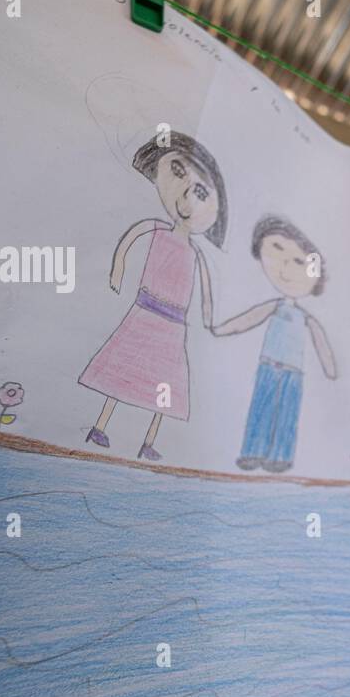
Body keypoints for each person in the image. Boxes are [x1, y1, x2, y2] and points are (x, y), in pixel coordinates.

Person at [80, 132, 227, 461]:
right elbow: (129, 240)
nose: (187, 200)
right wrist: (117, 269)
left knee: (165, 385)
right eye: (178, 175)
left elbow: (206, 295)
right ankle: (100, 426)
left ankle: (149, 441)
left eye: (201, 193)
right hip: (145, 311)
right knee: (122, 367)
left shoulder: (198, 254)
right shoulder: (157, 228)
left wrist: (208, 319)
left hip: (174, 325)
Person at [211, 215, 337, 473]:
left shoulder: (306, 319)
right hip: (269, 366)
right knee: (261, 409)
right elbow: (248, 319)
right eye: (278, 250)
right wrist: (221, 329)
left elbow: (321, 343)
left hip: (293, 373)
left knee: (286, 416)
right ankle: (251, 452)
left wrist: (330, 369)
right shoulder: (274, 307)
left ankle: (280, 457)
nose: (287, 269)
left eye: (300, 262)